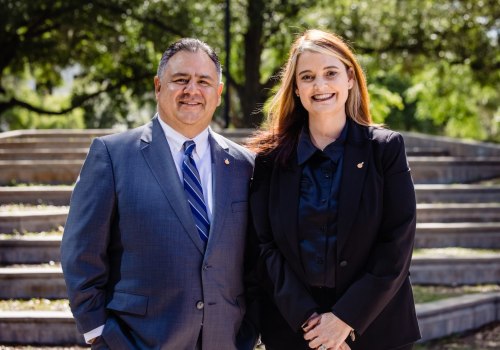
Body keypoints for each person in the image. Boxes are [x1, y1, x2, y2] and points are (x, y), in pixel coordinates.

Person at [61, 38, 256, 349]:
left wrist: (249, 331)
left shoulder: (245, 165)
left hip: (224, 340)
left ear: (218, 94)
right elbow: (80, 254)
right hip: (136, 340)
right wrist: (98, 331)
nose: (192, 90)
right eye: (180, 79)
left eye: (204, 81)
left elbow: (254, 262)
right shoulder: (112, 156)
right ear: (158, 86)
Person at [246, 29, 421, 350]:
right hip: (294, 330)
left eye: (330, 73)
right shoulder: (271, 159)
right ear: (296, 88)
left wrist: (344, 319)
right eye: (308, 77)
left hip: (375, 328)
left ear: (350, 78)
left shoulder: (385, 150)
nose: (320, 85)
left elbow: (397, 243)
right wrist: (311, 321)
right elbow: (264, 245)